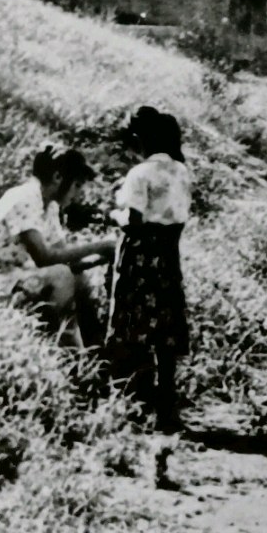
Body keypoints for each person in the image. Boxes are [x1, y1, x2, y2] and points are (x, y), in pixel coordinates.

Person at [0, 145, 114, 347]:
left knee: (77, 277)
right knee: (61, 275)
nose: (78, 195)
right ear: (57, 177)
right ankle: (71, 353)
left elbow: (65, 255)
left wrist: (107, 255)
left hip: (7, 274)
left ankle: (96, 346)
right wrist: (99, 246)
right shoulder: (26, 197)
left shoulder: (49, 205)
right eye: (77, 186)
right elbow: (44, 258)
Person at [106, 105, 192, 434]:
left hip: (140, 256)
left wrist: (115, 215)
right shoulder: (181, 171)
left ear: (139, 139)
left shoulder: (141, 174)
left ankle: (132, 397)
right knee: (165, 326)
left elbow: (134, 222)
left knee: (134, 321)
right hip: (168, 255)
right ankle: (166, 399)